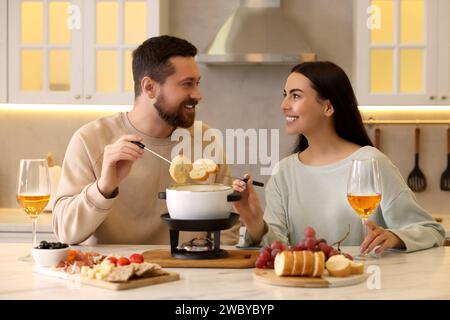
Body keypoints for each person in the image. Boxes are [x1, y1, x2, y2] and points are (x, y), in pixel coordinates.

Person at [233, 61, 445, 254]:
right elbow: (276, 247)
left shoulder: (371, 162)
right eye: (285, 94)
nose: (284, 105)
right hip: (302, 290)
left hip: (364, 288)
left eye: (295, 95)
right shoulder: (284, 172)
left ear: (328, 107)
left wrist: (396, 237)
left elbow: (430, 230)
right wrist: (254, 222)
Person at [53, 35, 239, 245]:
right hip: (114, 273)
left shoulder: (207, 141)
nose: (198, 95)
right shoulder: (90, 140)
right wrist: (104, 187)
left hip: (191, 273)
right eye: (187, 84)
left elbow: (226, 232)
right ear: (149, 87)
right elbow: (65, 232)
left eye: (197, 83)